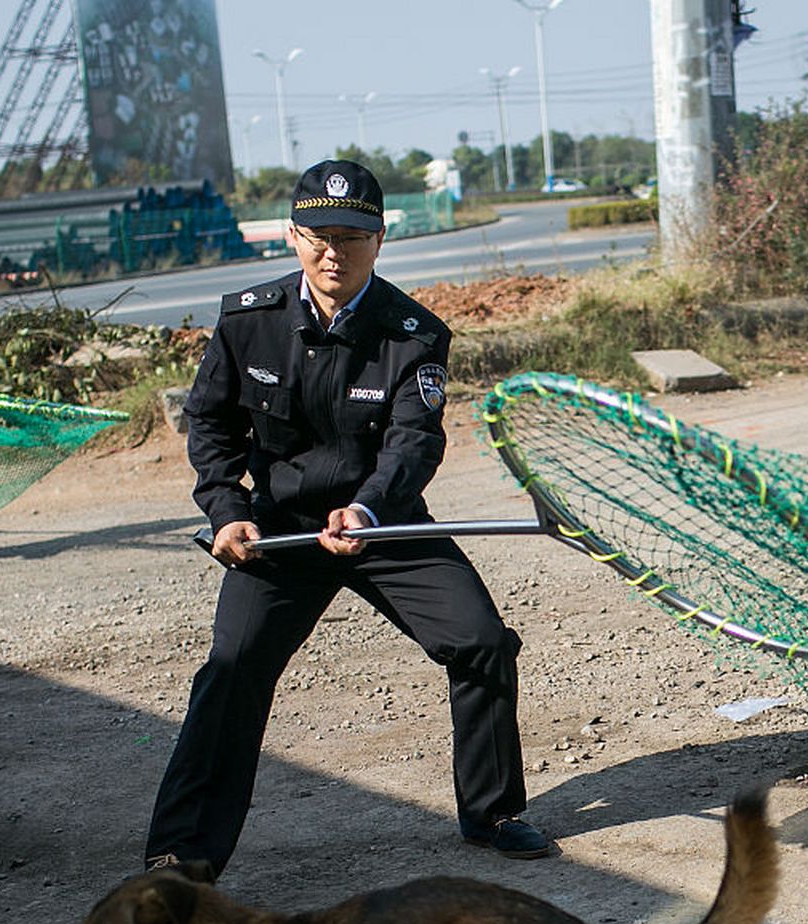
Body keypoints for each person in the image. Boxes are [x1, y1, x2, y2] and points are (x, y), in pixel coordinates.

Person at [144, 159, 552, 878]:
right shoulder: (249, 321)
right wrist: (227, 510)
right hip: (280, 530)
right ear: (294, 236)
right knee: (232, 669)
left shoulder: (413, 334)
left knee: (482, 641)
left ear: (381, 239)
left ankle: (492, 814)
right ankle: (182, 854)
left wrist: (367, 507)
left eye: (353, 236)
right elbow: (210, 428)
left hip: (379, 523)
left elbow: (414, 441)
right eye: (320, 235)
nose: (335, 252)